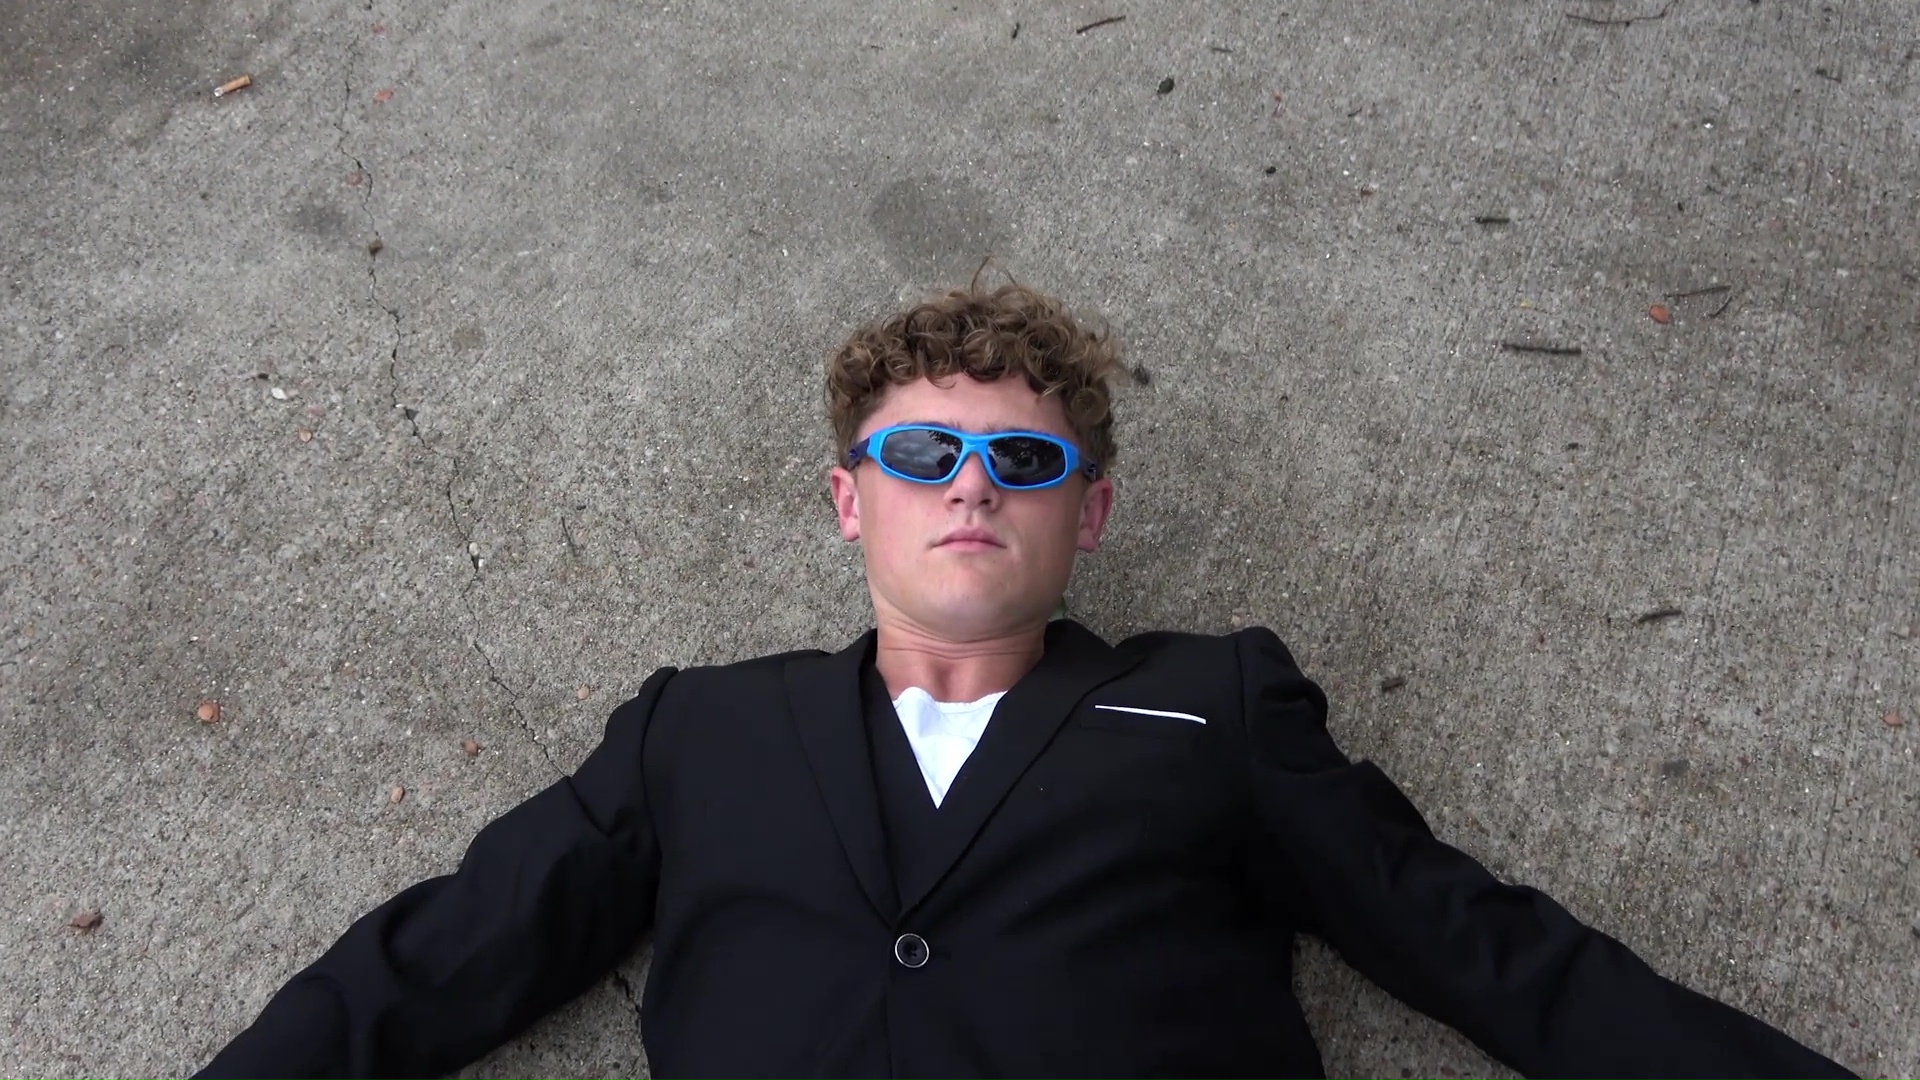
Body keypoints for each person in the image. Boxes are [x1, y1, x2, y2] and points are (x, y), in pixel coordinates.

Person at [192, 282, 1858, 1080]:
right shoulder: (702, 729)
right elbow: (445, 955)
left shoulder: (1213, 707)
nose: (973, 483)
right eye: (924, 454)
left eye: (1025, 457)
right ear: (850, 502)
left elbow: (1487, 950)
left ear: (1090, 513)